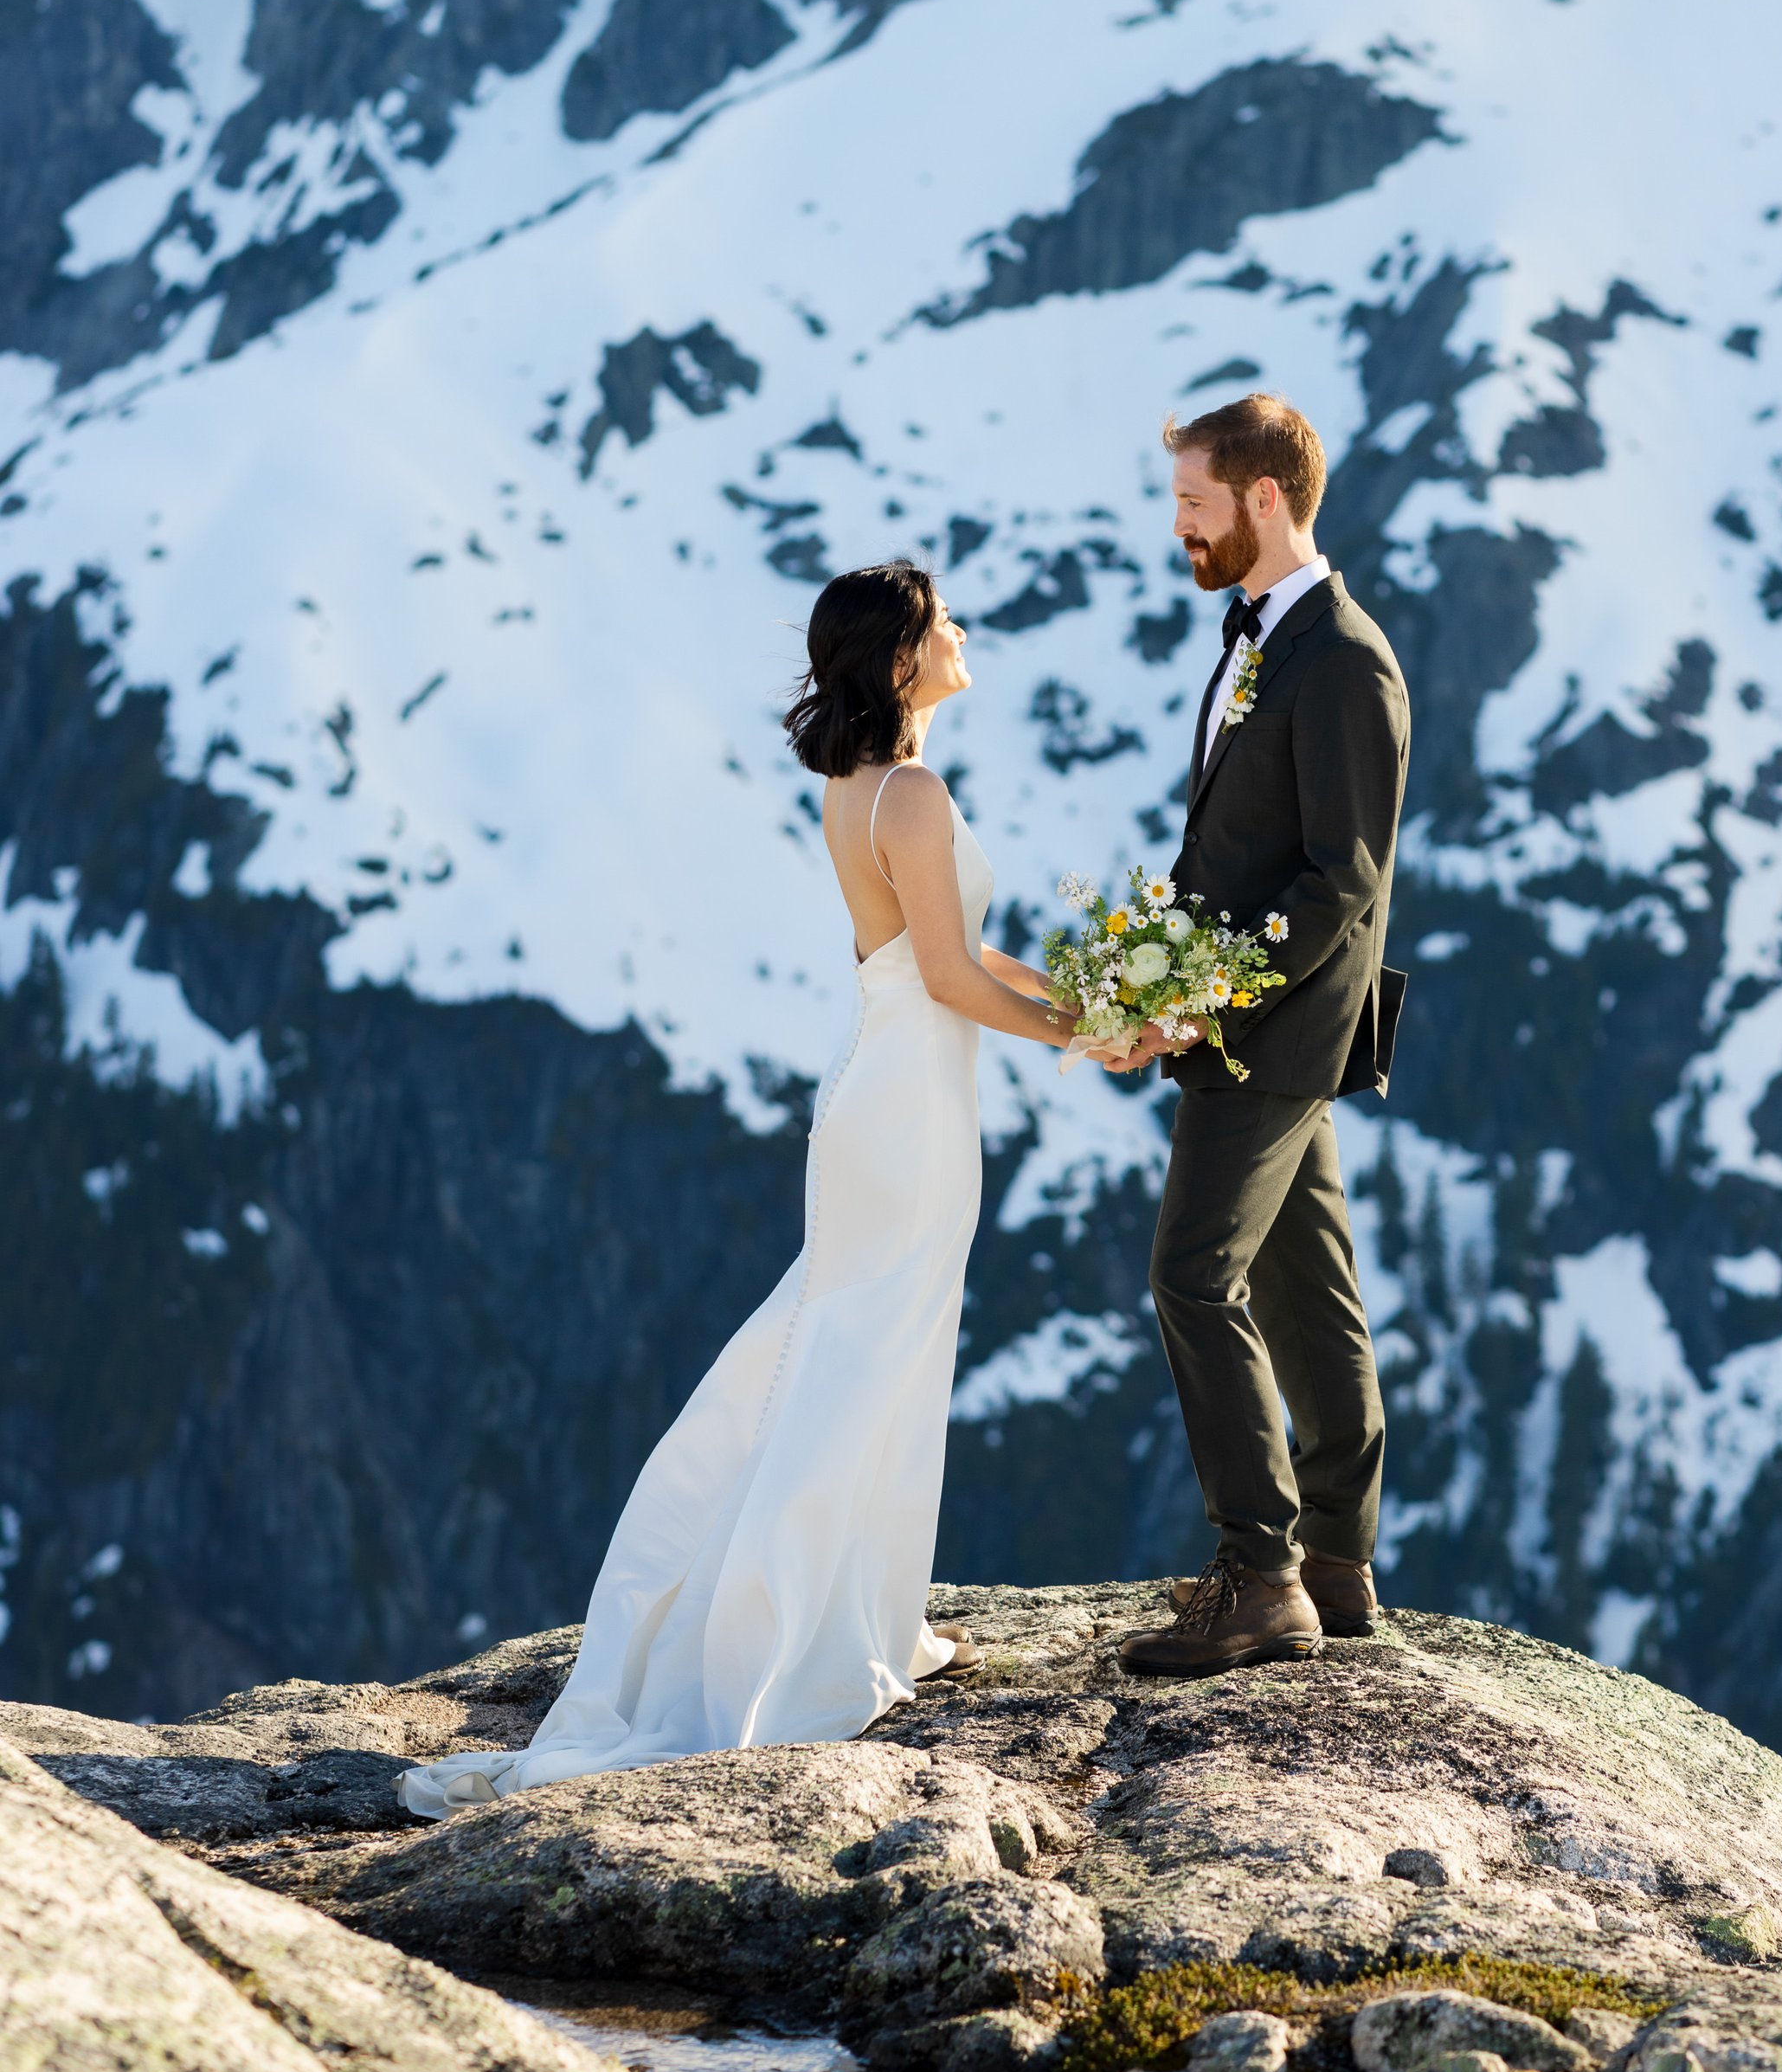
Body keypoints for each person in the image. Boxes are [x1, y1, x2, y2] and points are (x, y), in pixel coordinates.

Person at [400, 563, 1075, 1815]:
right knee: (872, 1351)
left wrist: (1082, 1001)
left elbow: (963, 952)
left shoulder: (860, 787)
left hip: (889, 1089)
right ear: (897, 661)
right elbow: (947, 972)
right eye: (942, 626)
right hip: (914, 1102)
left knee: (857, 1342)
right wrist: (1084, 1038)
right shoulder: (913, 793)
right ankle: (796, 1638)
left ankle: (854, 1609)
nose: (963, 634)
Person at [1108, 394, 1410, 1678]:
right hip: (1256, 1021)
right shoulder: (1268, 641)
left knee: (1191, 1276)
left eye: (1193, 502)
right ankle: (1336, 1564)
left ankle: (1262, 1574)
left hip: (1271, 1028)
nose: (1177, 525)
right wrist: (1152, 978)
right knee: (1306, 1286)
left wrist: (1206, 993)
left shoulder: (1342, 660)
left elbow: (1340, 877)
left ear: (1265, 499)